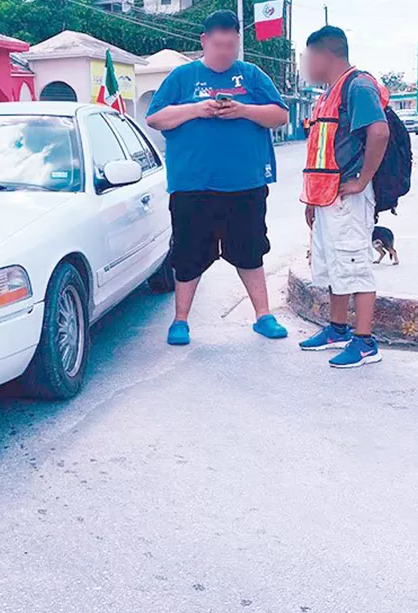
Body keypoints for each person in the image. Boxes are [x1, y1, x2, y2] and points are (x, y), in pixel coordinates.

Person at [145, 10, 290, 346]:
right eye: (219, 45)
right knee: (188, 255)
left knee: (250, 251)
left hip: (246, 184)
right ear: (204, 42)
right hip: (192, 186)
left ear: (238, 42)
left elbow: (279, 115)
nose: (225, 52)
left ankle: (263, 315)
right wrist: (197, 108)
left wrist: (243, 110)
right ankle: (180, 320)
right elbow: (156, 118)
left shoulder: (251, 76)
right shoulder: (182, 77)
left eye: (231, 45)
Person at [296, 26, 391, 368]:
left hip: (349, 197)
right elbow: (322, 150)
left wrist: (363, 180)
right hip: (327, 199)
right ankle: (337, 329)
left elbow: (379, 132)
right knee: (336, 265)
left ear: (325, 55)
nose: (306, 64)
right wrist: (312, 200)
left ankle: (365, 343)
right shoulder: (329, 92)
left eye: (308, 57)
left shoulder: (358, 85)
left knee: (355, 265)